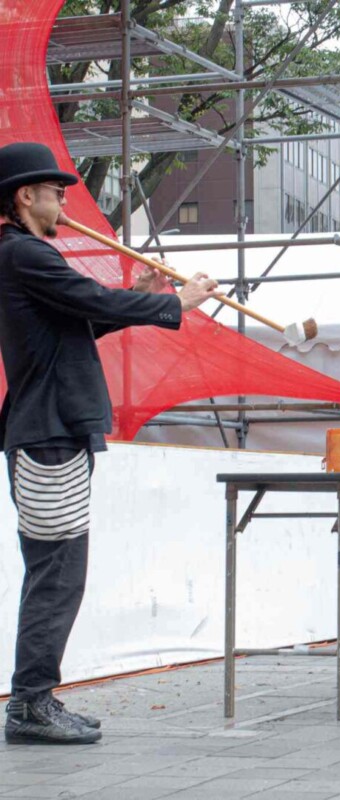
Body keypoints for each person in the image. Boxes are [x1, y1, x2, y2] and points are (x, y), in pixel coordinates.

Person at [0, 142, 222, 744]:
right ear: (26, 196)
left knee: (56, 573)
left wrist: (146, 295)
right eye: (56, 193)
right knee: (57, 576)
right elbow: (92, 299)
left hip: (51, 433)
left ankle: (35, 699)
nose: (64, 203)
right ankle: (30, 705)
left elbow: (84, 319)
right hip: (48, 434)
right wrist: (173, 301)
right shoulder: (23, 254)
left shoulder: (23, 256)